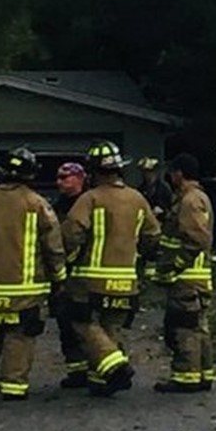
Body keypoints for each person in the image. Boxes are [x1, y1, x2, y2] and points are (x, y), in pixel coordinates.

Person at [0, 147, 66, 400]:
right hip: (25, 291)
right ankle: (13, 386)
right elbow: (53, 246)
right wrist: (59, 278)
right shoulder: (37, 204)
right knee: (20, 336)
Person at [61, 140, 160, 397]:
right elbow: (152, 236)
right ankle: (101, 380)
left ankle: (115, 367)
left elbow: (72, 234)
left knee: (82, 322)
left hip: (90, 281)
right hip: (126, 281)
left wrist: (67, 260)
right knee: (111, 328)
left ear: (93, 171)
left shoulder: (89, 199)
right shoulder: (138, 199)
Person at [150, 153, 215, 393]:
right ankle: (203, 372)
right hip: (197, 277)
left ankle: (186, 376)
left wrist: (174, 265)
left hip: (186, 278)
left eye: (172, 172)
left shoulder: (189, 201)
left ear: (179, 173)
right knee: (199, 326)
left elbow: (196, 239)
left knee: (184, 326)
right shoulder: (198, 198)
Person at [52, 162, 91, 388]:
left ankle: (93, 366)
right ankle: (77, 370)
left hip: (85, 272)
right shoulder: (57, 206)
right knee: (65, 323)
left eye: (65, 178)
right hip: (64, 272)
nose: (60, 182)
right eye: (58, 178)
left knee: (85, 322)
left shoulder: (88, 203)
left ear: (79, 179)